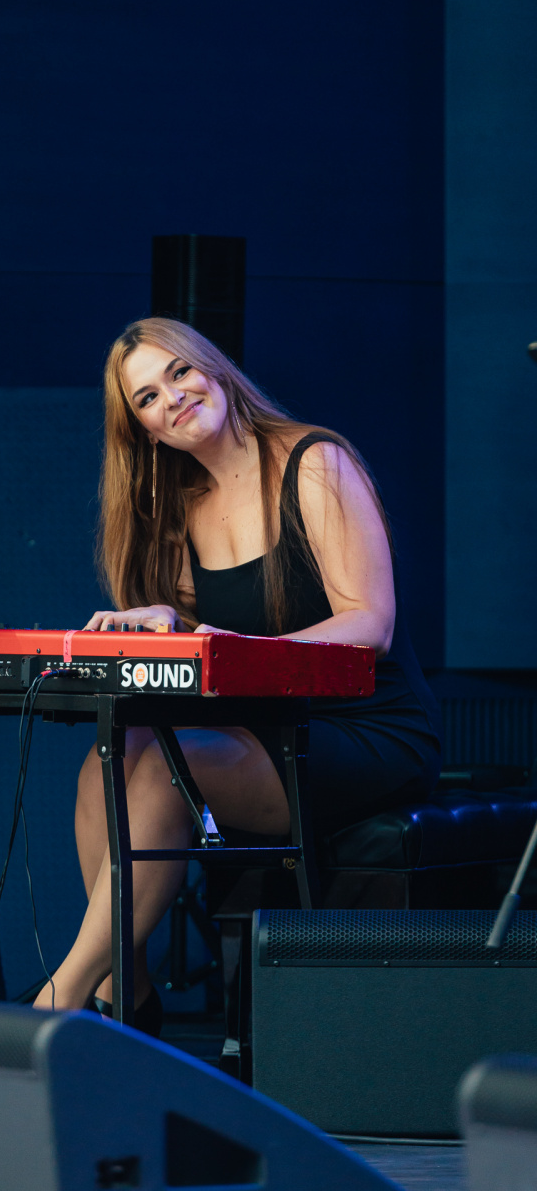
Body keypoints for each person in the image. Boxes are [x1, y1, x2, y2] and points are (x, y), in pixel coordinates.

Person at [33, 317, 441, 1028]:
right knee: (111, 757)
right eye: (148, 398)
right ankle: (126, 991)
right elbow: (214, 644)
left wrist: (237, 645)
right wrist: (171, 624)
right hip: (265, 729)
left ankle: (62, 997)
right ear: (145, 432)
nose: (173, 399)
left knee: (169, 770)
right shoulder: (185, 509)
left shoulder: (313, 462)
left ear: (213, 369)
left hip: (367, 732)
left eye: (179, 373)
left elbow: (368, 626)